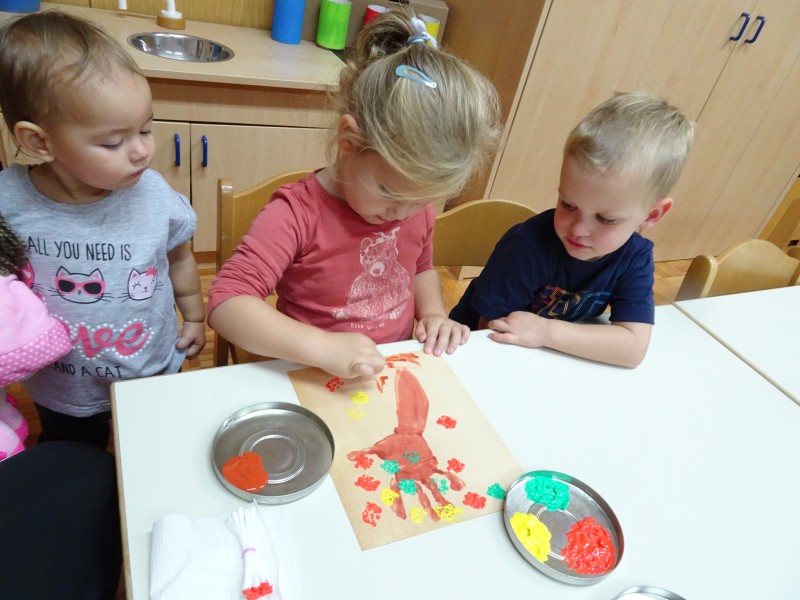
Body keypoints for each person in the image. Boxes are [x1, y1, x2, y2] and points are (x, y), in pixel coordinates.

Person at [208, 11, 502, 379]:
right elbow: (227, 302)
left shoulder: (413, 209)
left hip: (389, 369)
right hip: (312, 373)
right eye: (389, 192)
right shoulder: (297, 213)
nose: (402, 214)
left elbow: (420, 268)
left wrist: (432, 314)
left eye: (422, 200)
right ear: (349, 141)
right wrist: (321, 346)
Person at [0, 11, 206, 447]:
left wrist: (194, 315)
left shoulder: (153, 193)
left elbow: (180, 256)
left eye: (146, 129)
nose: (142, 151)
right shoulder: (9, 202)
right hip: (62, 384)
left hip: (149, 368)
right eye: (113, 142)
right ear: (39, 142)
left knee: (155, 448)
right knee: (72, 457)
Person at [449, 91, 695, 367]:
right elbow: (490, 337)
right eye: (568, 204)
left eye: (605, 219)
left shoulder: (635, 256)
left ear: (652, 214)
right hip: (471, 353)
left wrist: (546, 332)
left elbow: (633, 348)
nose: (578, 229)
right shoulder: (526, 246)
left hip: (546, 355)